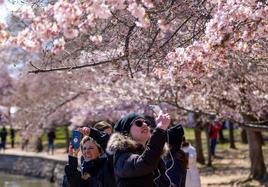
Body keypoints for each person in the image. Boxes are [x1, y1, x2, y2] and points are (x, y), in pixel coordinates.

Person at [106, 112, 172, 187]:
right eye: (138, 123)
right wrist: (160, 129)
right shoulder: (121, 157)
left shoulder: (154, 155)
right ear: (126, 132)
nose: (145, 125)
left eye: (146, 122)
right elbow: (145, 163)